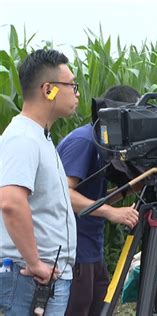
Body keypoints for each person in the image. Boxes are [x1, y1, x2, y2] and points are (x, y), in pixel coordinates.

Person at [0, 49, 78, 315]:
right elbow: (10, 202)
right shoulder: (23, 138)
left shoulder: (39, 136)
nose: (77, 93)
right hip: (30, 280)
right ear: (48, 89)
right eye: (71, 84)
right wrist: (35, 263)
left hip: (42, 280)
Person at [57, 85, 140, 315]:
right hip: (74, 252)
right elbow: (64, 194)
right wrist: (112, 213)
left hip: (93, 250)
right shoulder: (85, 140)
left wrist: (131, 188)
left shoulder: (105, 142)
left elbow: (94, 197)